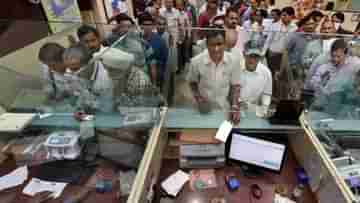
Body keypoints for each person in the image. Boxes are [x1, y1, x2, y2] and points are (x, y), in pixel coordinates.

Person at [187, 27, 241, 124]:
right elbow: (192, 82)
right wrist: (198, 98)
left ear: (225, 43)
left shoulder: (234, 61)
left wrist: (234, 106)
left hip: (224, 110)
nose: (216, 49)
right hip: (203, 110)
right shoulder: (196, 62)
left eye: (219, 44)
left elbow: (235, 86)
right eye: (212, 45)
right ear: (206, 45)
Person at [239, 40, 272, 114]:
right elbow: (229, 92)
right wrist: (239, 102)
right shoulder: (236, 69)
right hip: (235, 110)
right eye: (250, 56)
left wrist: (265, 107)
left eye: (256, 56)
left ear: (260, 57)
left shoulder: (266, 72)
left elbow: (267, 94)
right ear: (244, 54)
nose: (252, 60)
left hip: (255, 111)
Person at [139, 13, 169, 88]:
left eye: (150, 24)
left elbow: (164, 60)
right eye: (145, 25)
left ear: (153, 26)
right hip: (140, 76)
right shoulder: (137, 39)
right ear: (140, 26)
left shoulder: (160, 41)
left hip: (156, 76)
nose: (147, 27)